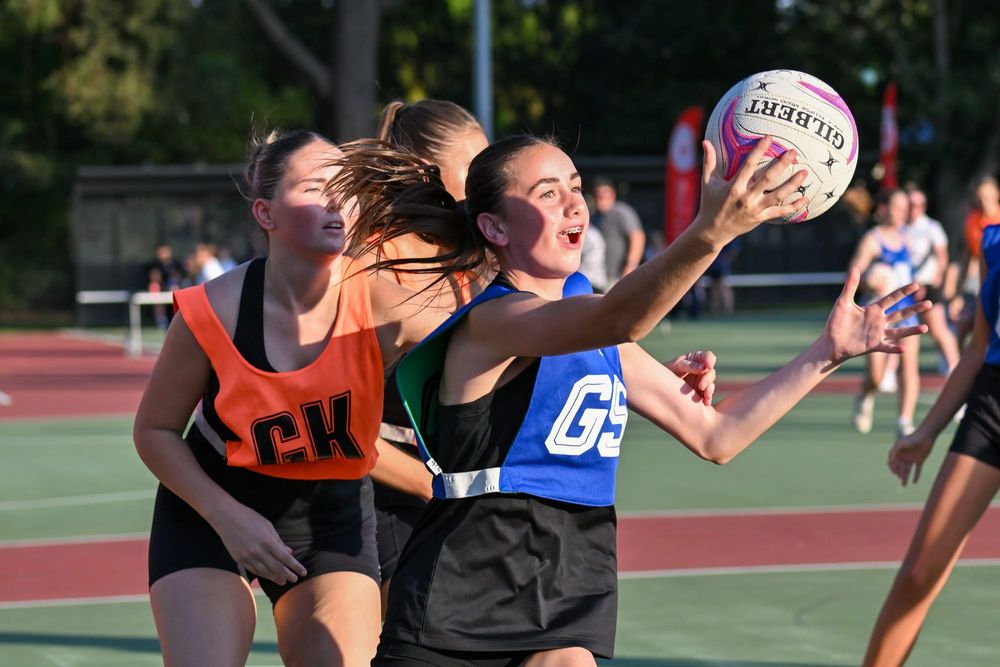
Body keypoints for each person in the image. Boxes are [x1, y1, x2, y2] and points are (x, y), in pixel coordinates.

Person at [331, 133, 928, 666]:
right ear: (494, 228)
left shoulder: (598, 336)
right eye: (546, 193)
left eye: (575, 186)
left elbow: (717, 437)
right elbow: (621, 316)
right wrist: (711, 232)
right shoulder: (494, 322)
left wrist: (825, 352)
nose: (573, 204)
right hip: (456, 606)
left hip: (568, 595)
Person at [133, 129, 451, 666]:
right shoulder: (214, 311)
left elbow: (501, 334)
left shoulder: (388, 300)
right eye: (314, 188)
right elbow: (154, 431)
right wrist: (227, 517)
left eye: (345, 187)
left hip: (329, 521)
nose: (337, 202)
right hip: (213, 511)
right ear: (265, 214)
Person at [365, 98, 490, 613]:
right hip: (382, 486)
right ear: (425, 172)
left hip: (450, 483)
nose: (489, 182)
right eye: (475, 171)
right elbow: (335, 419)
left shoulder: (474, 249)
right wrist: (432, 486)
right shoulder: (377, 265)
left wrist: (640, 375)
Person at [862, 221, 1000, 666]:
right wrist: (927, 431)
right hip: (992, 407)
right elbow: (978, 349)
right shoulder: (995, 242)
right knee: (919, 574)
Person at [850, 189, 922, 436]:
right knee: (876, 377)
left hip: (907, 311)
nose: (903, 212)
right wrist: (871, 281)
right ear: (884, 209)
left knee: (909, 367)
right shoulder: (873, 239)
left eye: (906, 207)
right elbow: (854, 273)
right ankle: (864, 395)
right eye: (898, 206)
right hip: (879, 314)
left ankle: (904, 421)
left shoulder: (908, 239)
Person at [902, 185, 960, 373]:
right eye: (910, 204)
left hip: (927, 285)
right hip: (904, 286)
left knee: (937, 329)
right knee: (901, 329)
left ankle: (954, 367)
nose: (914, 208)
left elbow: (941, 256)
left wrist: (936, 278)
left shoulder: (931, 227)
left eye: (918, 205)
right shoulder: (901, 227)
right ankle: (890, 373)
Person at [591, 176, 646, 285]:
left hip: (619, 276)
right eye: (597, 196)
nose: (600, 200)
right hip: (600, 276)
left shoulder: (621, 212)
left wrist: (631, 265)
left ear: (612, 195)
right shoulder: (594, 216)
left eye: (603, 196)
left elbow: (637, 237)